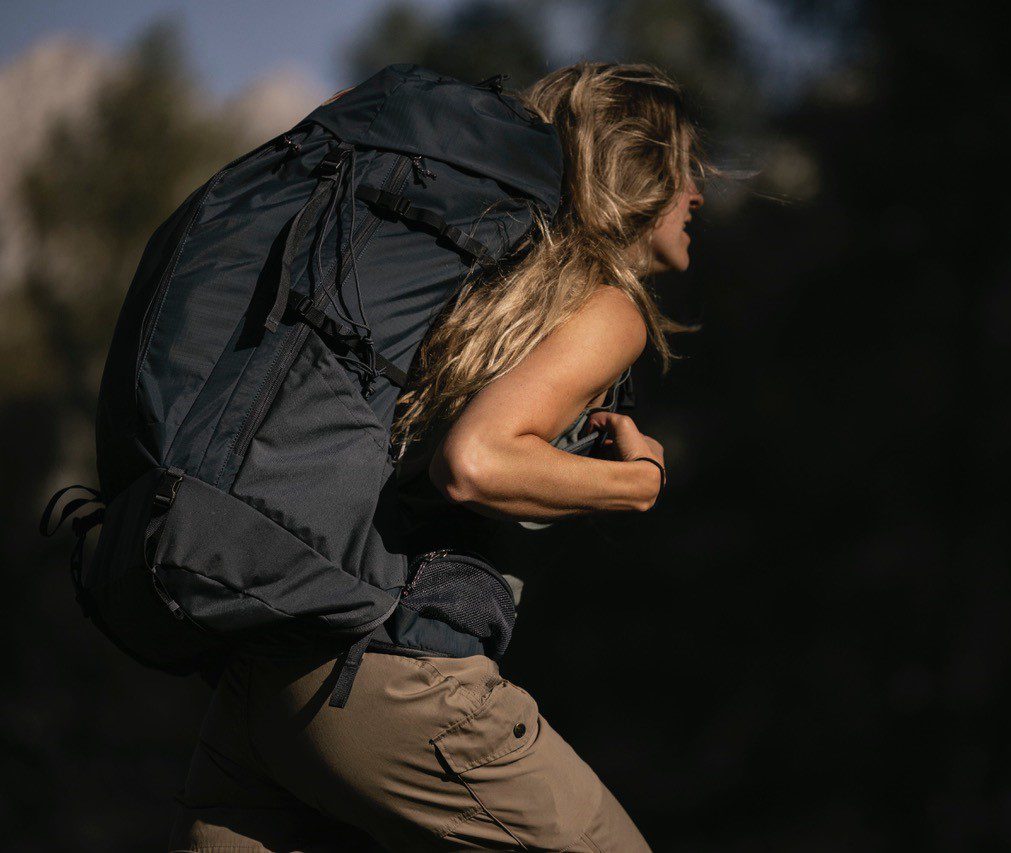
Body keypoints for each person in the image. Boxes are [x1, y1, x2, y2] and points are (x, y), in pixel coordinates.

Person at [170, 61, 707, 852]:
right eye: (687, 170)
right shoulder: (607, 307)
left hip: (266, 676)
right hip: (386, 678)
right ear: (644, 174)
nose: (699, 194)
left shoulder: (488, 287)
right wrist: (636, 480)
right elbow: (477, 461)